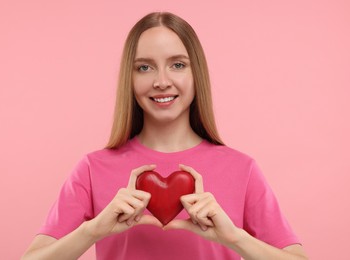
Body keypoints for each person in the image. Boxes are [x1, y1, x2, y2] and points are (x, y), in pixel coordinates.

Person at [22, 12, 308, 260]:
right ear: (129, 79)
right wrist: (93, 230)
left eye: (178, 64)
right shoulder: (91, 169)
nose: (161, 81)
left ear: (197, 74)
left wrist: (234, 238)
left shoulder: (242, 169)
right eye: (144, 67)